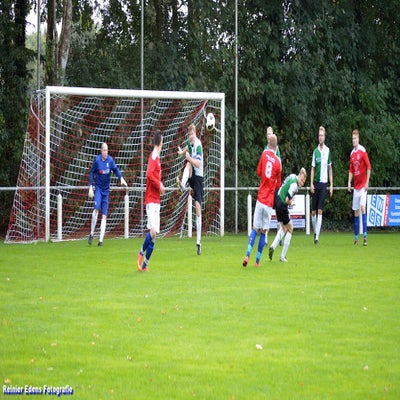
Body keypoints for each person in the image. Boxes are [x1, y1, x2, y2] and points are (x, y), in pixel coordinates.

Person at [242, 134, 281, 267]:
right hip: (269, 202)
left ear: (268, 144)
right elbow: (278, 185)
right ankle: (257, 261)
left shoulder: (264, 154)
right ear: (276, 147)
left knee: (254, 228)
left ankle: (247, 254)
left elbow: (258, 172)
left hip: (260, 199)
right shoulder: (278, 162)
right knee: (264, 231)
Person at [88, 142, 127, 246]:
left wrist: (121, 178)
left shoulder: (110, 160)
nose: (106, 152)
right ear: (101, 151)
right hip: (98, 189)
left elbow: (116, 169)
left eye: (107, 150)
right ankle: (91, 233)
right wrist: (90, 186)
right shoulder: (97, 160)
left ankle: (100, 241)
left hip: (106, 191)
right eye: (104, 150)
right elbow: (92, 172)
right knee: (96, 209)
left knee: (104, 215)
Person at [137, 131, 165, 271]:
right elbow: (149, 174)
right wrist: (159, 184)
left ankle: (145, 265)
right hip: (151, 200)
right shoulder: (153, 156)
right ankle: (141, 252)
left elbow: (155, 176)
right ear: (160, 142)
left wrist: (160, 186)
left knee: (154, 236)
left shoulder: (157, 158)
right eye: (162, 141)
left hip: (156, 200)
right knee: (152, 232)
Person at [268, 168, 307, 262]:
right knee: (290, 229)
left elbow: (284, 186)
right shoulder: (294, 185)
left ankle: (272, 246)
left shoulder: (292, 176)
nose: (302, 183)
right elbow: (287, 200)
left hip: (277, 200)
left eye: (303, 182)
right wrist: (291, 202)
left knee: (284, 228)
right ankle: (282, 257)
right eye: (301, 180)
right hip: (282, 204)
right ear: (299, 175)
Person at [176, 123, 204, 255]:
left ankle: (198, 242)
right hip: (192, 175)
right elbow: (187, 146)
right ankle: (182, 184)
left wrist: (189, 158)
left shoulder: (198, 145)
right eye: (189, 134)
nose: (191, 136)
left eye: (192, 134)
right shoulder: (190, 142)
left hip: (198, 179)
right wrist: (182, 152)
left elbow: (197, 163)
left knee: (198, 210)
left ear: (195, 133)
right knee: (187, 164)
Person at [347, 129, 371, 246]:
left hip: (362, 186)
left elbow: (369, 167)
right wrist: (349, 182)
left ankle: (365, 237)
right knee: (356, 211)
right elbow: (351, 170)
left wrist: (367, 182)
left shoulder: (363, 150)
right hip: (356, 187)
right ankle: (356, 238)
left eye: (355, 138)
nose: (354, 140)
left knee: (362, 207)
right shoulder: (352, 154)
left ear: (358, 139)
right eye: (352, 139)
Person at [310, 126, 333, 244]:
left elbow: (330, 168)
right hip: (316, 184)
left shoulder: (327, 151)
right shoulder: (315, 152)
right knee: (313, 212)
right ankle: (316, 231)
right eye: (319, 135)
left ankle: (317, 237)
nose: (320, 137)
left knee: (320, 210)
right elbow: (313, 168)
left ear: (325, 137)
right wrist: (311, 184)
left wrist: (331, 184)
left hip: (324, 184)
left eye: (322, 135)